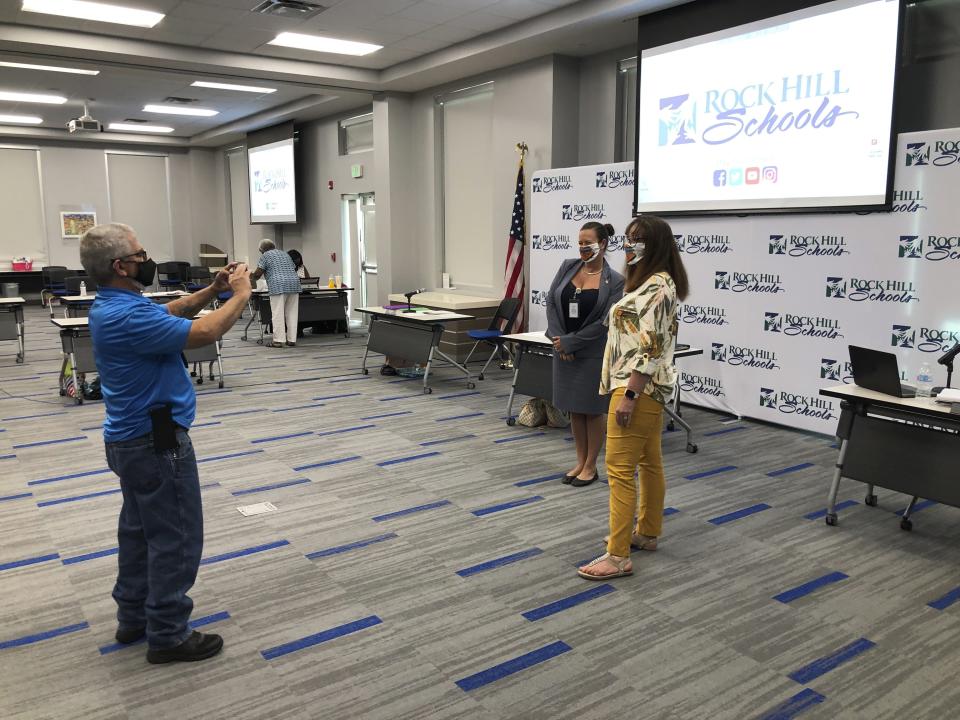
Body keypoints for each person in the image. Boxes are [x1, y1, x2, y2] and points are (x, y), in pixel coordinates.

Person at [80, 222, 252, 663]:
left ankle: (133, 616)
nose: (147, 260)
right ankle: (170, 632)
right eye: (139, 255)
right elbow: (206, 334)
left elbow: (173, 312)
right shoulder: (128, 314)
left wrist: (212, 290)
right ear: (120, 266)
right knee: (175, 537)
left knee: (138, 534)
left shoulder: (114, 304)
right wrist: (241, 295)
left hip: (128, 439)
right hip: (156, 442)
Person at [578, 215, 689, 580]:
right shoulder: (654, 283)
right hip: (646, 388)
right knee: (649, 462)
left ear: (655, 244)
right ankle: (648, 532)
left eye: (637, 240)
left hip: (636, 388)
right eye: (627, 238)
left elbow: (651, 346)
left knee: (619, 471)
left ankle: (617, 555)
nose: (629, 245)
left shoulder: (658, 288)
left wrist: (629, 394)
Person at [546, 222, 624, 487]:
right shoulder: (568, 266)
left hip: (591, 352)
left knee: (591, 411)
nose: (582, 247)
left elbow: (605, 321)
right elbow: (551, 303)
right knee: (574, 410)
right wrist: (560, 341)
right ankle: (579, 461)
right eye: (579, 242)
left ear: (602, 244)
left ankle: (591, 465)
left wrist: (572, 343)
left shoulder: (615, 281)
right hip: (562, 349)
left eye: (587, 242)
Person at [250, 239, 301, 348]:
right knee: (292, 313)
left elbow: (258, 274)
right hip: (294, 284)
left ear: (261, 250)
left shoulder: (265, 255)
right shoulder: (285, 254)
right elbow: (293, 268)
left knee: (278, 313)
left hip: (278, 285)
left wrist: (250, 277)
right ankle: (291, 340)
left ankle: (278, 340)